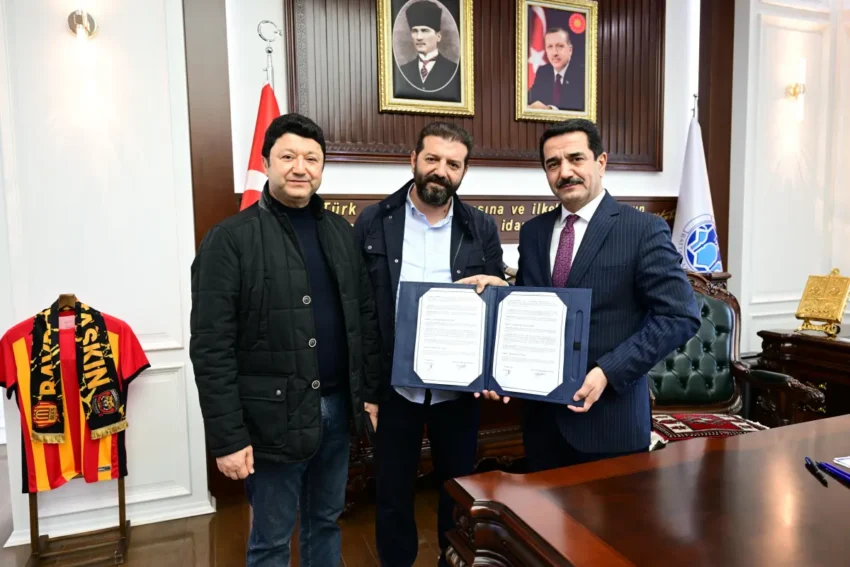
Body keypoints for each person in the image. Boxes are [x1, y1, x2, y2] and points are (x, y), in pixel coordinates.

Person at [189, 113, 382, 566]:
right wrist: (228, 438)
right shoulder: (229, 240)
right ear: (266, 163)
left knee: (325, 523)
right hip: (271, 421)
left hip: (338, 410)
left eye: (312, 158)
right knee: (272, 540)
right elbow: (211, 348)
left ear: (322, 167)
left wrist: (369, 396)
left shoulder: (340, 232)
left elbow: (364, 320)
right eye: (288, 156)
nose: (300, 168)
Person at [354, 122, 505, 567]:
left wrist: (499, 288)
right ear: (413, 160)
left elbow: (496, 301)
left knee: (458, 492)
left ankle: (450, 561)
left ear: (464, 171)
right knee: (392, 493)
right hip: (394, 387)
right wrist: (367, 390)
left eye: (453, 164)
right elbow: (360, 310)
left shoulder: (481, 227)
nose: (441, 170)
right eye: (433, 159)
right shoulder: (374, 220)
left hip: (457, 390)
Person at [515, 118, 701, 471]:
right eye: (553, 164)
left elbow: (680, 315)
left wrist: (608, 371)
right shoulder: (533, 233)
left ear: (601, 162)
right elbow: (528, 309)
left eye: (576, 159)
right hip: (541, 424)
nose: (565, 172)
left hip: (610, 423)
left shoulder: (642, 229)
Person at [393, 0, 461, 103]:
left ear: (438, 36)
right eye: (415, 31)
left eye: (424, 30)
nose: (419, 37)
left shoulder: (452, 70)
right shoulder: (404, 71)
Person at [527, 26, 585, 111]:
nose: (554, 53)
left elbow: (577, 107)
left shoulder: (582, 74)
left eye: (560, 46)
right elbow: (531, 99)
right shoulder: (543, 72)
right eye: (550, 46)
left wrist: (550, 109)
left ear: (570, 50)